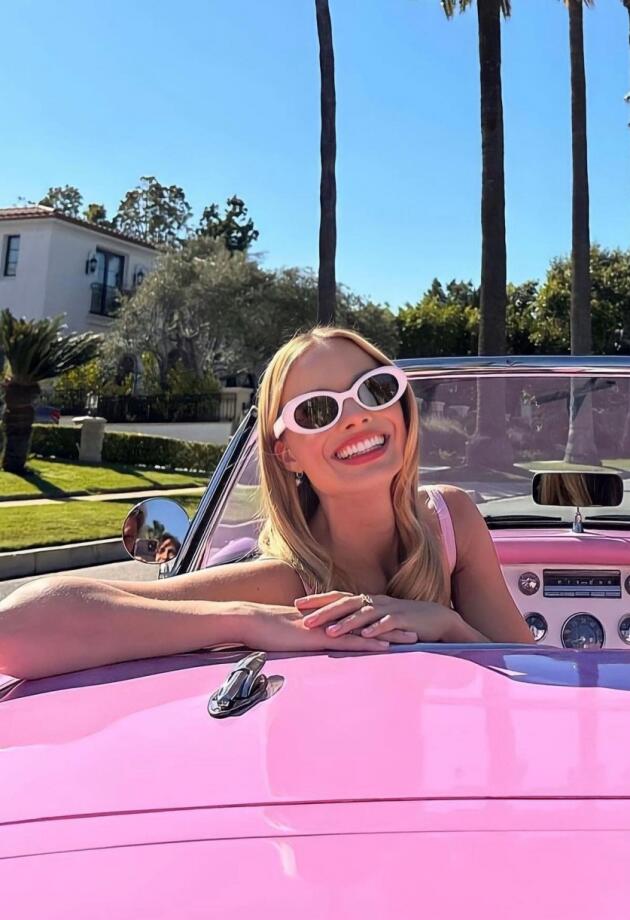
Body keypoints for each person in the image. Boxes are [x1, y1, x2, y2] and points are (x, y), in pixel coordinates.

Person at [0, 327, 532, 679]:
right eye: (317, 411)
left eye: (374, 389)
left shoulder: (450, 519)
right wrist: (246, 620)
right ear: (287, 453)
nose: (356, 416)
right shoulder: (286, 582)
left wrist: (446, 625)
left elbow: (536, 671)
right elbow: (16, 629)